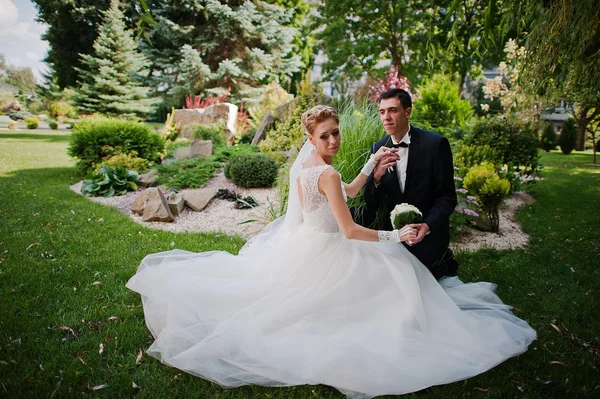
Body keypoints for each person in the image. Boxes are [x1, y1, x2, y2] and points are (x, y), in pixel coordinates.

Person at [126, 105, 536, 399]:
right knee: (392, 270)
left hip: (306, 245)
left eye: (336, 132)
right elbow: (352, 230)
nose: (335, 139)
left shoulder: (308, 169)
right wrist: (397, 238)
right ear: (311, 139)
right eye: (326, 136)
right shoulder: (328, 171)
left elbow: (347, 191)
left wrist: (372, 162)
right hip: (334, 248)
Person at [361, 88, 459, 280]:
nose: (386, 117)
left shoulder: (435, 144)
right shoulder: (378, 147)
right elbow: (371, 201)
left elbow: (447, 197)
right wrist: (377, 177)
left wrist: (427, 226)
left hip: (427, 236)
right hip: (394, 236)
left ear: (408, 112)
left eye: (393, 110)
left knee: (422, 283)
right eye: (382, 112)